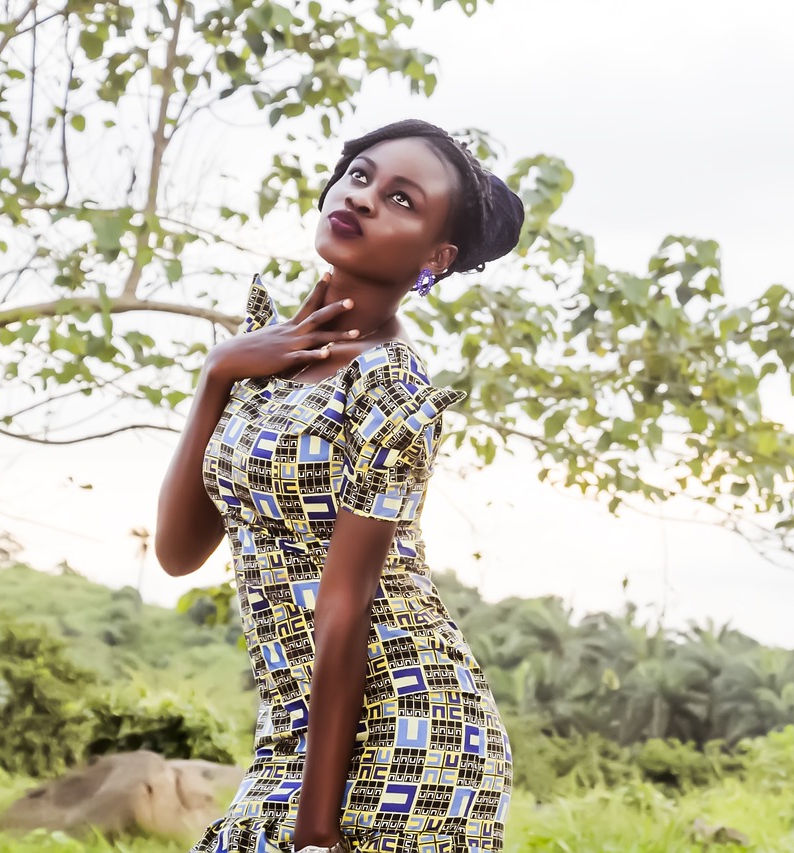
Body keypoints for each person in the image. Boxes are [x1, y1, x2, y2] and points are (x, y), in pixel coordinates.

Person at [155, 119, 524, 853]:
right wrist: (219, 372)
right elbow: (178, 551)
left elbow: (343, 604)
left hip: (410, 734)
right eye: (359, 173)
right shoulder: (266, 352)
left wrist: (317, 833)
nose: (361, 197)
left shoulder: (392, 389)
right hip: (293, 733)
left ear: (437, 255)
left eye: (401, 199)